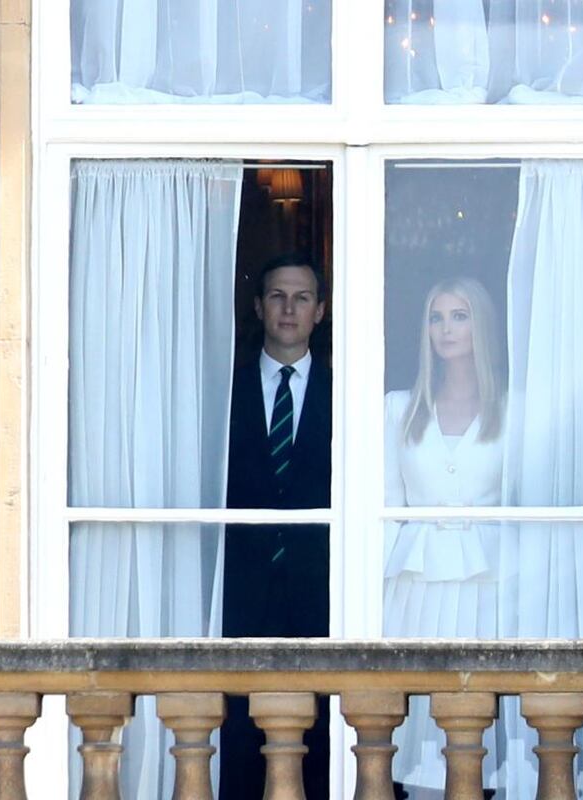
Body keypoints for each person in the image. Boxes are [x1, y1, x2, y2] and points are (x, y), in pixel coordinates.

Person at [384, 277, 504, 798]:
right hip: (417, 590)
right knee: (420, 738)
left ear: (482, 325)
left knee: (487, 733)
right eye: (437, 317)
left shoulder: (514, 409)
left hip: (490, 587)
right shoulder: (398, 408)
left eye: (460, 316)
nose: (447, 328)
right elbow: (384, 512)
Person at [220, 254, 331, 800]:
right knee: (239, 732)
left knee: (322, 735)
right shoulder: (222, 392)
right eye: (279, 296)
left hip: (323, 592)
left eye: (302, 297)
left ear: (320, 311)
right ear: (259, 306)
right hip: (240, 591)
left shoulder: (350, 395)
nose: (289, 308)